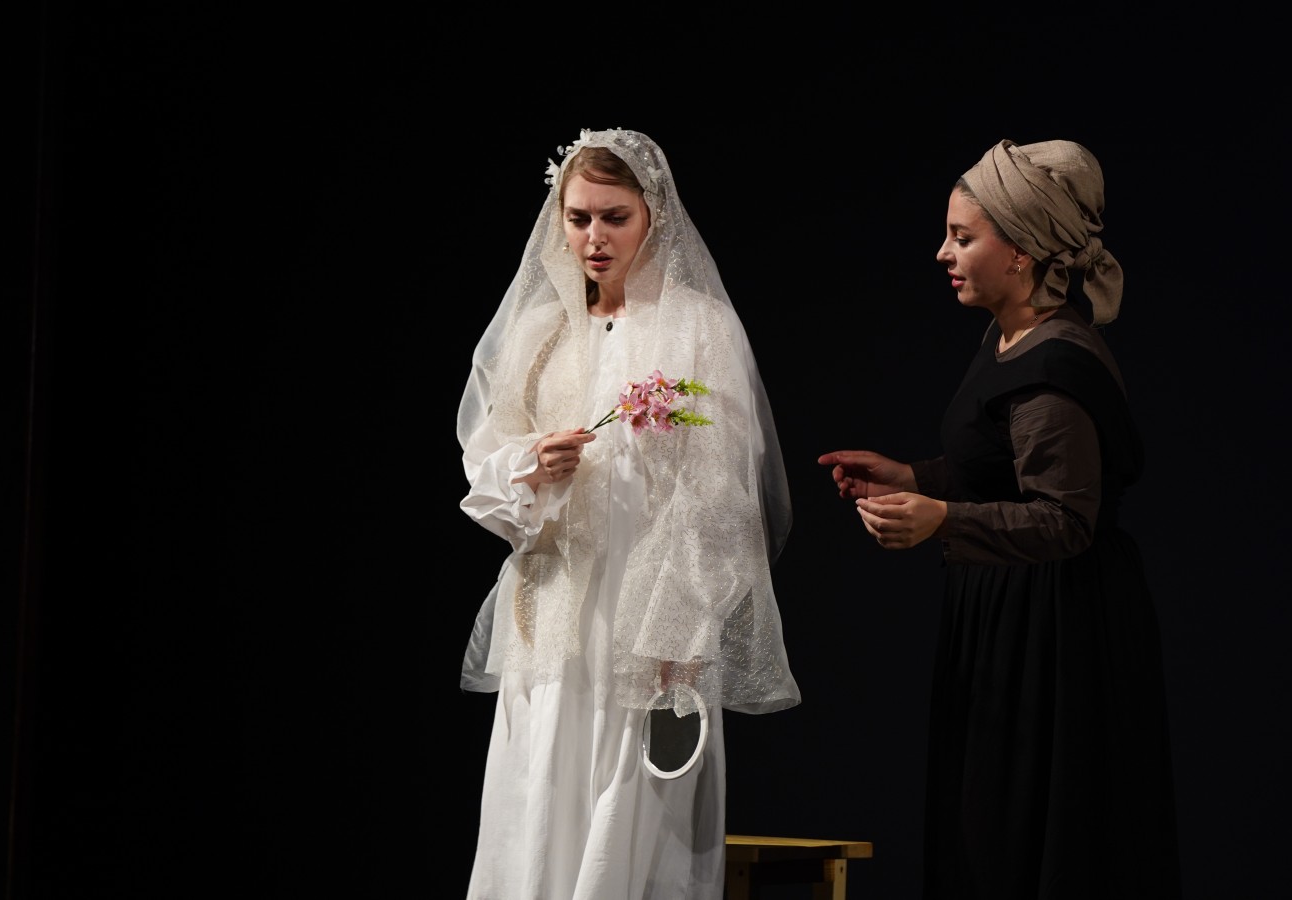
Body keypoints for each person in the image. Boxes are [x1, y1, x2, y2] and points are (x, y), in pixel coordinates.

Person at [819, 139, 1182, 898]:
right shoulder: (1007, 334)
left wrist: (942, 519)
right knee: (988, 832)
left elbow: (1064, 519)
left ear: (1020, 252)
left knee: (1034, 835)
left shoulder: (1055, 365)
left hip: (1053, 631)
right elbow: (1002, 468)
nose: (943, 253)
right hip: (1006, 615)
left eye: (962, 236)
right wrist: (914, 477)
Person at [455, 127, 800, 900]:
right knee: (539, 807)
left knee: (634, 823)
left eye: (614, 217)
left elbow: (724, 497)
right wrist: (530, 465)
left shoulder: (697, 328)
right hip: (553, 616)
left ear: (653, 216)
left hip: (647, 619)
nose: (595, 237)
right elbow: (484, 464)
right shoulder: (540, 333)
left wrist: (681, 625)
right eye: (579, 218)